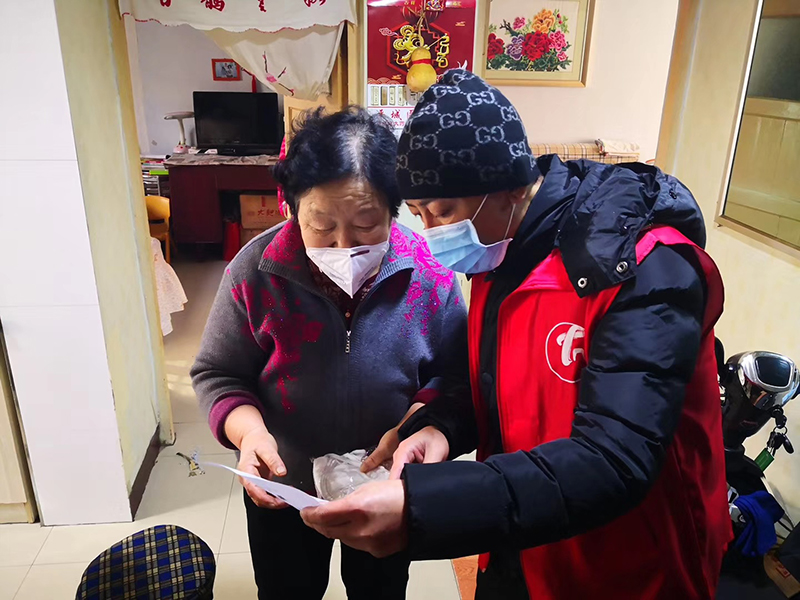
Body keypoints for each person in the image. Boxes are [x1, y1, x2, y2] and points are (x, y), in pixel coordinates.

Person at [301, 70, 732, 600]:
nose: (434, 234)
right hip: (521, 538)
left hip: (627, 562)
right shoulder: (500, 255)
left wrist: (422, 508)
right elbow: (501, 387)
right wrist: (440, 427)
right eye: (420, 215)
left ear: (509, 185)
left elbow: (615, 458)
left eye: (445, 211)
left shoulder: (644, 269)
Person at [191, 107, 468, 600]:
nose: (344, 246)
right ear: (291, 208)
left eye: (367, 224)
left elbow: (454, 375)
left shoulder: (431, 274)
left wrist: (423, 423)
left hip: (386, 484)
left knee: (379, 591)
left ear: (395, 210)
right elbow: (219, 372)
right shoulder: (255, 271)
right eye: (321, 225)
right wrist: (249, 434)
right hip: (284, 484)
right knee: (287, 590)